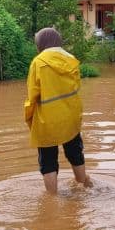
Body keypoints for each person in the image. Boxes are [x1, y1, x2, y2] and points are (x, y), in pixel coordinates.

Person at [25, 27, 92, 193]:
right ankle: (83, 185)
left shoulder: (38, 62)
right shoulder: (72, 60)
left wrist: (29, 118)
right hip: (70, 117)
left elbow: (32, 95)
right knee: (75, 152)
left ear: (41, 43)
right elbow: (76, 89)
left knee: (48, 160)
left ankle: (52, 200)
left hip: (47, 119)